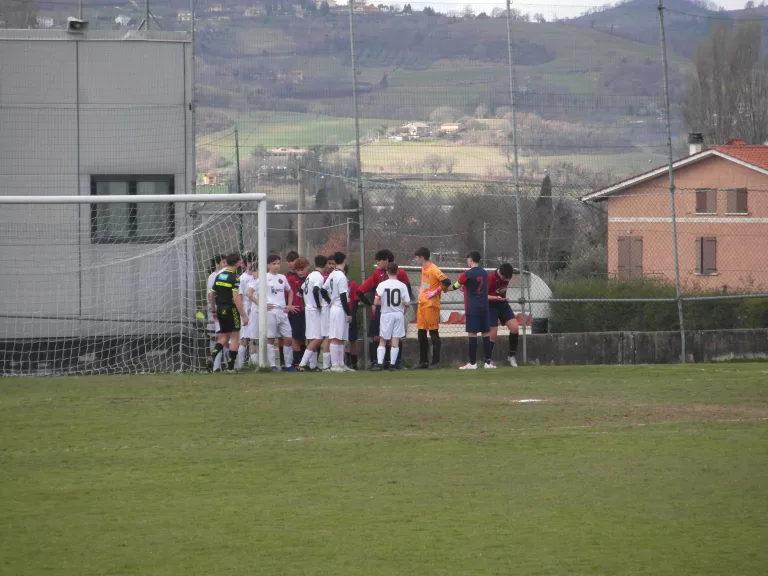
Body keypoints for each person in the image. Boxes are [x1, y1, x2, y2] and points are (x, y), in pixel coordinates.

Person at [356, 249, 413, 370]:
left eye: (379, 261)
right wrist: (370, 304)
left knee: (390, 337)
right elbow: (362, 290)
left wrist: (376, 302)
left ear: (387, 261)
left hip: (388, 311)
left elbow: (408, 290)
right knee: (381, 337)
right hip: (386, 311)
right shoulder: (377, 274)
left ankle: (394, 362)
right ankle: (378, 362)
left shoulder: (400, 274)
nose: (377, 263)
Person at [445, 251, 493, 370]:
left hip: (472, 307)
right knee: (486, 333)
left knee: (472, 334)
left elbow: (454, 287)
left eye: (467, 260)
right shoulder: (485, 273)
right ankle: (488, 362)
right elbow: (478, 287)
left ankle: (472, 363)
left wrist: (443, 288)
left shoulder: (466, 274)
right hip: (484, 307)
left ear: (470, 260)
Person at [206, 252, 248, 373]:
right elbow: (236, 297)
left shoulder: (219, 276)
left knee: (224, 336)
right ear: (236, 262)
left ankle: (212, 356)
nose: (241, 263)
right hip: (231, 309)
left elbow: (211, 294)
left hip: (220, 309)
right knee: (235, 337)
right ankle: (230, 368)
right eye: (240, 261)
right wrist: (243, 314)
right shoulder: (234, 278)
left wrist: (213, 310)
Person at [260, 254, 297, 372]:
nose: (276, 266)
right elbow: (250, 293)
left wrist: (289, 305)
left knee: (288, 338)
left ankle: (288, 365)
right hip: (271, 312)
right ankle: (272, 365)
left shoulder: (282, 277)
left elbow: (290, 291)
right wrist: (262, 305)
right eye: (273, 264)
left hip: (282, 312)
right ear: (267, 265)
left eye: (278, 263)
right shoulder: (263, 277)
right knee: (271, 339)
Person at [413, 246, 448, 369]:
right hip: (422, 305)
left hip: (431, 306)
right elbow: (426, 284)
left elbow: (446, 281)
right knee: (421, 333)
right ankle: (423, 362)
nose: (416, 260)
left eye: (417, 258)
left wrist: (435, 292)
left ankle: (436, 362)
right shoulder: (424, 269)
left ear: (422, 257)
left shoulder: (434, 269)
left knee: (433, 333)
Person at [373, 263, 411, 372]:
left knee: (383, 339)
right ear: (398, 272)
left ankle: (380, 364)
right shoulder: (402, 285)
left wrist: (381, 302)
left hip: (386, 314)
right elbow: (407, 303)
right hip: (398, 314)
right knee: (395, 339)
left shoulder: (382, 285)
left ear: (387, 272)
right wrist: (402, 303)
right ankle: (392, 365)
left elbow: (376, 301)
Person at [321, 251, 354, 372]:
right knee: (335, 336)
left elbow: (323, 291)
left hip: (336, 307)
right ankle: (335, 365)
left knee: (341, 337)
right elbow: (343, 296)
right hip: (339, 309)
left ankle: (340, 363)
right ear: (344, 262)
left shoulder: (332, 274)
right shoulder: (341, 276)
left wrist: (329, 300)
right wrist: (348, 312)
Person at [296, 255, 327, 372]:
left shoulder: (310, 275)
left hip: (308, 309)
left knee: (311, 338)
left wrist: (305, 298)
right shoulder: (319, 277)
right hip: (314, 310)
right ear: (324, 265)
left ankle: (313, 365)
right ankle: (303, 363)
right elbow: (315, 290)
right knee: (318, 338)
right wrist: (318, 304)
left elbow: (301, 289)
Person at [488, 262, 519, 367]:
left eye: (509, 278)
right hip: (491, 305)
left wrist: (500, 299)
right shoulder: (491, 278)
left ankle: (512, 357)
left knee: (515, 328)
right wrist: (495, 298)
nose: (507, 280)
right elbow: (482, 296)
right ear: (500, 274)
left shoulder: (508, 276)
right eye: (505, 278)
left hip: (502, 303)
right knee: (493, 332)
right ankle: (488, 359)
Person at [206, 254, 228, 371]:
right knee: (216, 337)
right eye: (223, 262)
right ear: (217, 264)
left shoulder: (224, 276)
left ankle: (224, 365)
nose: (225, 265)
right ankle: (215, 366)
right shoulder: (213, 276)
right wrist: (213, 309)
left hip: (223, 310)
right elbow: (211, 295)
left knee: (225, 337)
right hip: (215, 311)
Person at [286, 254, 308, 368]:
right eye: (298, 270)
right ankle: (296, 362)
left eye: (302, 269)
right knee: (295, 337)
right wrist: (289, 306)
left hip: (309, 311)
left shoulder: (311, 277)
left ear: (307, 267)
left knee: (305, 337)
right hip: (296, 312)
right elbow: (285, 294)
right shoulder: (290, 280)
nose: (300, 272)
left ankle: (304, 361)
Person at [236, 252, 255, 369]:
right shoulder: (242, 279)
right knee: (244, 338)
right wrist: (243, 313)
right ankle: (239, 365)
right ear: (244, 264)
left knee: (255, 339)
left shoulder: (258, 277)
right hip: (247, 310)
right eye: (249, 261)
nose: (252, 264)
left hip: (256, 310)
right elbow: (240, 297)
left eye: (253, 261)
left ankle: (255, 364)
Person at [319, 254, 335, 371]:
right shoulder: (323, 277)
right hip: (325, 308)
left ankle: (333, 363)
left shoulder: (336, 276)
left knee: (333, 335)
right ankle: (325, 365)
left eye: (333, 264)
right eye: (329, 263)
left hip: (334, 309)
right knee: (328, 336)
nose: (331, 266)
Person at [344, 263, 360, 370]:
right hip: (338, 314)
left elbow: (356, 299)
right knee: (339, 339)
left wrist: (351, 313)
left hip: (349, 314)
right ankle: (341, 362)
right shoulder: (333, 283)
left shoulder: (352, 284)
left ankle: (353, 363)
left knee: (352, 339)